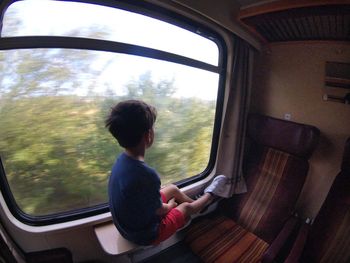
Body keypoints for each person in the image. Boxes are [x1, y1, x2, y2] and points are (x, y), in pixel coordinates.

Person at [105, 100, 229, 246]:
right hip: (145, 234)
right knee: (185, 208)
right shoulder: (147, 175)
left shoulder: (121, 162)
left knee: (171, 189)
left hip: (127, 226)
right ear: (148, 134)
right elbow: (159, 211)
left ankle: (198, 206)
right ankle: (210, 195)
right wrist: (171, 206)